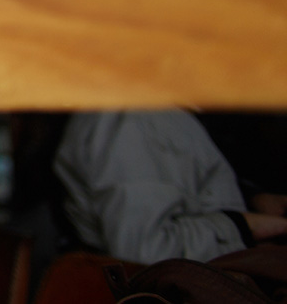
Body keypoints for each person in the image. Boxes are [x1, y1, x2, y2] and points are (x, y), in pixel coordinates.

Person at [54, 111, 287, 264]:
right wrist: (241, 227)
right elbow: (145, 253)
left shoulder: (158, 117)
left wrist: (252, 200)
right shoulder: (137, 122)